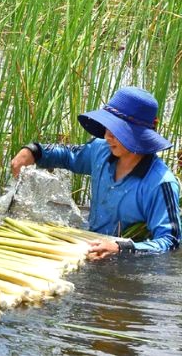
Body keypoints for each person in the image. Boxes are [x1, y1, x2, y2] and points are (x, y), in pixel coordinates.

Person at [10, 86, 180, 260]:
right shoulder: (101, 150)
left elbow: (170, 241)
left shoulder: (160, 183)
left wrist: (121, 248)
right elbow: (69, 156)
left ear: (138, 135)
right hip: (90, 248)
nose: (107, 136)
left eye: (117, 131)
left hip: (123, 262)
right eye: (107, 127)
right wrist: (34, 151)